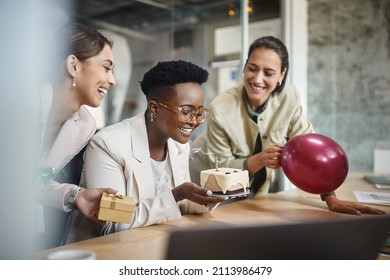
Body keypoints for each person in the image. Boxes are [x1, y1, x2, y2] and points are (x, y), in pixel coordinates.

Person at [189, 36, 385, 216]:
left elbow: (313, 152)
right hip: (207, 189)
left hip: (253, 196)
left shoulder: (289, 97)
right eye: (252, 68)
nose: (257, 79)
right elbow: (221, 167)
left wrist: (330, 198)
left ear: (282, 75)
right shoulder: (220, 108)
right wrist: (258, 160)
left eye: (269, 72)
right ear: (244, 68)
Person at [62, 60, 225, 244]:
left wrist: (204, 197)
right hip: (104, 253)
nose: (195, 121)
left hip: (154, 244)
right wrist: (177, 194)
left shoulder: (179, 144)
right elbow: (113, 225)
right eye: (186, 112)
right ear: (154, 108)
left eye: (200, 112)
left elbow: (177, 206)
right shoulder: (107, 144)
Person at [37, 23, 118, 249]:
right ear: (73, 65)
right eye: (107, 67)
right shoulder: (21, 105)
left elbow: (33, 182)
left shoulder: (84, 125)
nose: (113, 80)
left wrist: (77, 196)